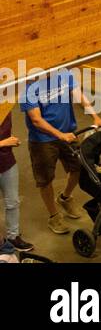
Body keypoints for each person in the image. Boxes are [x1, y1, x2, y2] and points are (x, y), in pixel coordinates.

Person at [20, 68, 101, 235]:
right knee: (45, 179)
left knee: (78, 168)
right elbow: (36, 120)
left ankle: (65, 197)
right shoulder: (29, 87)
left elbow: (78, 95)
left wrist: (96, 117)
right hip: (43, 141)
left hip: (69, 133)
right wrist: (59, 135)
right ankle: (53, 215)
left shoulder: (64, 73)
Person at [0, 77, 33, 252]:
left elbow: (24, 80)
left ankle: (13, 237)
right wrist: (3, 143)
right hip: (5, 151)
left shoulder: (5, 101)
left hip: (7, 162)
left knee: (12, 202)